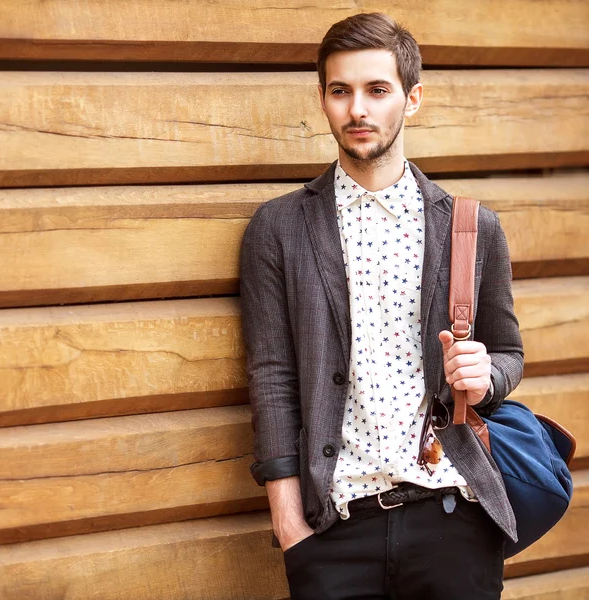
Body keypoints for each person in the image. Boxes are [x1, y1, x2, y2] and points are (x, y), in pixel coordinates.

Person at [240, 12, 523, 600]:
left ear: (411, 98)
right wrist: (289, 525)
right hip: (335, 528)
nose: (358, 110)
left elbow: (509, 354)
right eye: (340, 91)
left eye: (377, 90)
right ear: (322, 100)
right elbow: (272, 377)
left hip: (454, 517)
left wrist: (485, 373)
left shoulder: (470, 228)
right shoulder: (280, 229)